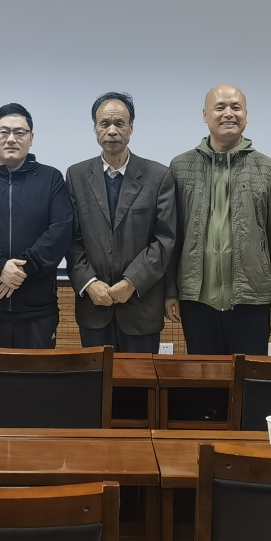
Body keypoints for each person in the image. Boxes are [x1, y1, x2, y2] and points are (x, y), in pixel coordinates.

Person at [167, 85, 271, 355]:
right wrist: (169, 292)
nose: (229, 113)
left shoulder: (270, 170)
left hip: (252, 300)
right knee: (204, 377)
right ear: (205, 115)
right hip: (196, 300)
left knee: (248, 376)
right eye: (220, 107)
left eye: (236, 107)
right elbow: (170, 237)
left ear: (246, 115)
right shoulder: (180, 168)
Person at [0, 103, 74, 348]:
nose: (11, 139)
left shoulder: (51, 179)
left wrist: (21, 270)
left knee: (39, 372)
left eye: (19, 132)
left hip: (37, 309)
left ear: (31, 138)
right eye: (4, 131)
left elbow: (61, 229)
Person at [65, 92, 177, 353]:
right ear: (95, 128)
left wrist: (132, 282)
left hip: (141, 306)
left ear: (131, 128)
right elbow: (70, 237)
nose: (112, 131)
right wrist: (89, 283)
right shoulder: (76, 175)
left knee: (139, 378)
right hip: (94, 306)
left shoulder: (158, 176)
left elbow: (165, 239)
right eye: (105, 124)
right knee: (95, 378)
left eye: (120, 123)